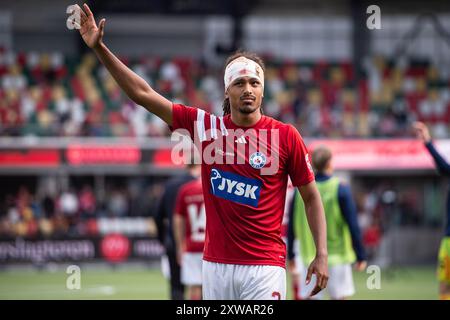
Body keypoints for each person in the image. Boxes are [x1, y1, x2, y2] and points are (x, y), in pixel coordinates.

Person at [72, 3, 328, 300]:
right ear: (226, 90)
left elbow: (311, 197)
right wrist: (100, 49)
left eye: (255, 82)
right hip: (214, 267)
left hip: (264, 267)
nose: (248, 89)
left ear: (263, 90)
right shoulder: (204, 127)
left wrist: (322, 253)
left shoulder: (285, 135)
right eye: (240, 82)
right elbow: (143, 95)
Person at [288, 145, 367, 299]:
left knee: (311, 296)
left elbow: (292, 225)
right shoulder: (340, 188)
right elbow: (353, 224)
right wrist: (360, 254)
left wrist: (291, 254)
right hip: (337, 256)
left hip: (309, 256)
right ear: (330, 163)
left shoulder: (300, 191)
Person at [413, 121, 450, 300]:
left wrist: (427, 140)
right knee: (444, 285)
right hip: (449, 240)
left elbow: (443, 167)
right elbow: (443, 167)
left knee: (444, 285)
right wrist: (427, 141)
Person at [155, 163, 201, 300]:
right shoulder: (208, 184)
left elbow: (158, 215)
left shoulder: (171, 185)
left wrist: (163, 239)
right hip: (203, 244)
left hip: (177, 242)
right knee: (203, 286)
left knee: (176, 287)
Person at [173, 175, 205, 300]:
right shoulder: (216, 187)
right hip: (212, 247)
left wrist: (180, 245)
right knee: (214, 288)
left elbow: (178, 219)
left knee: (194, 287)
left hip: (192, 245)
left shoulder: (186, 190)